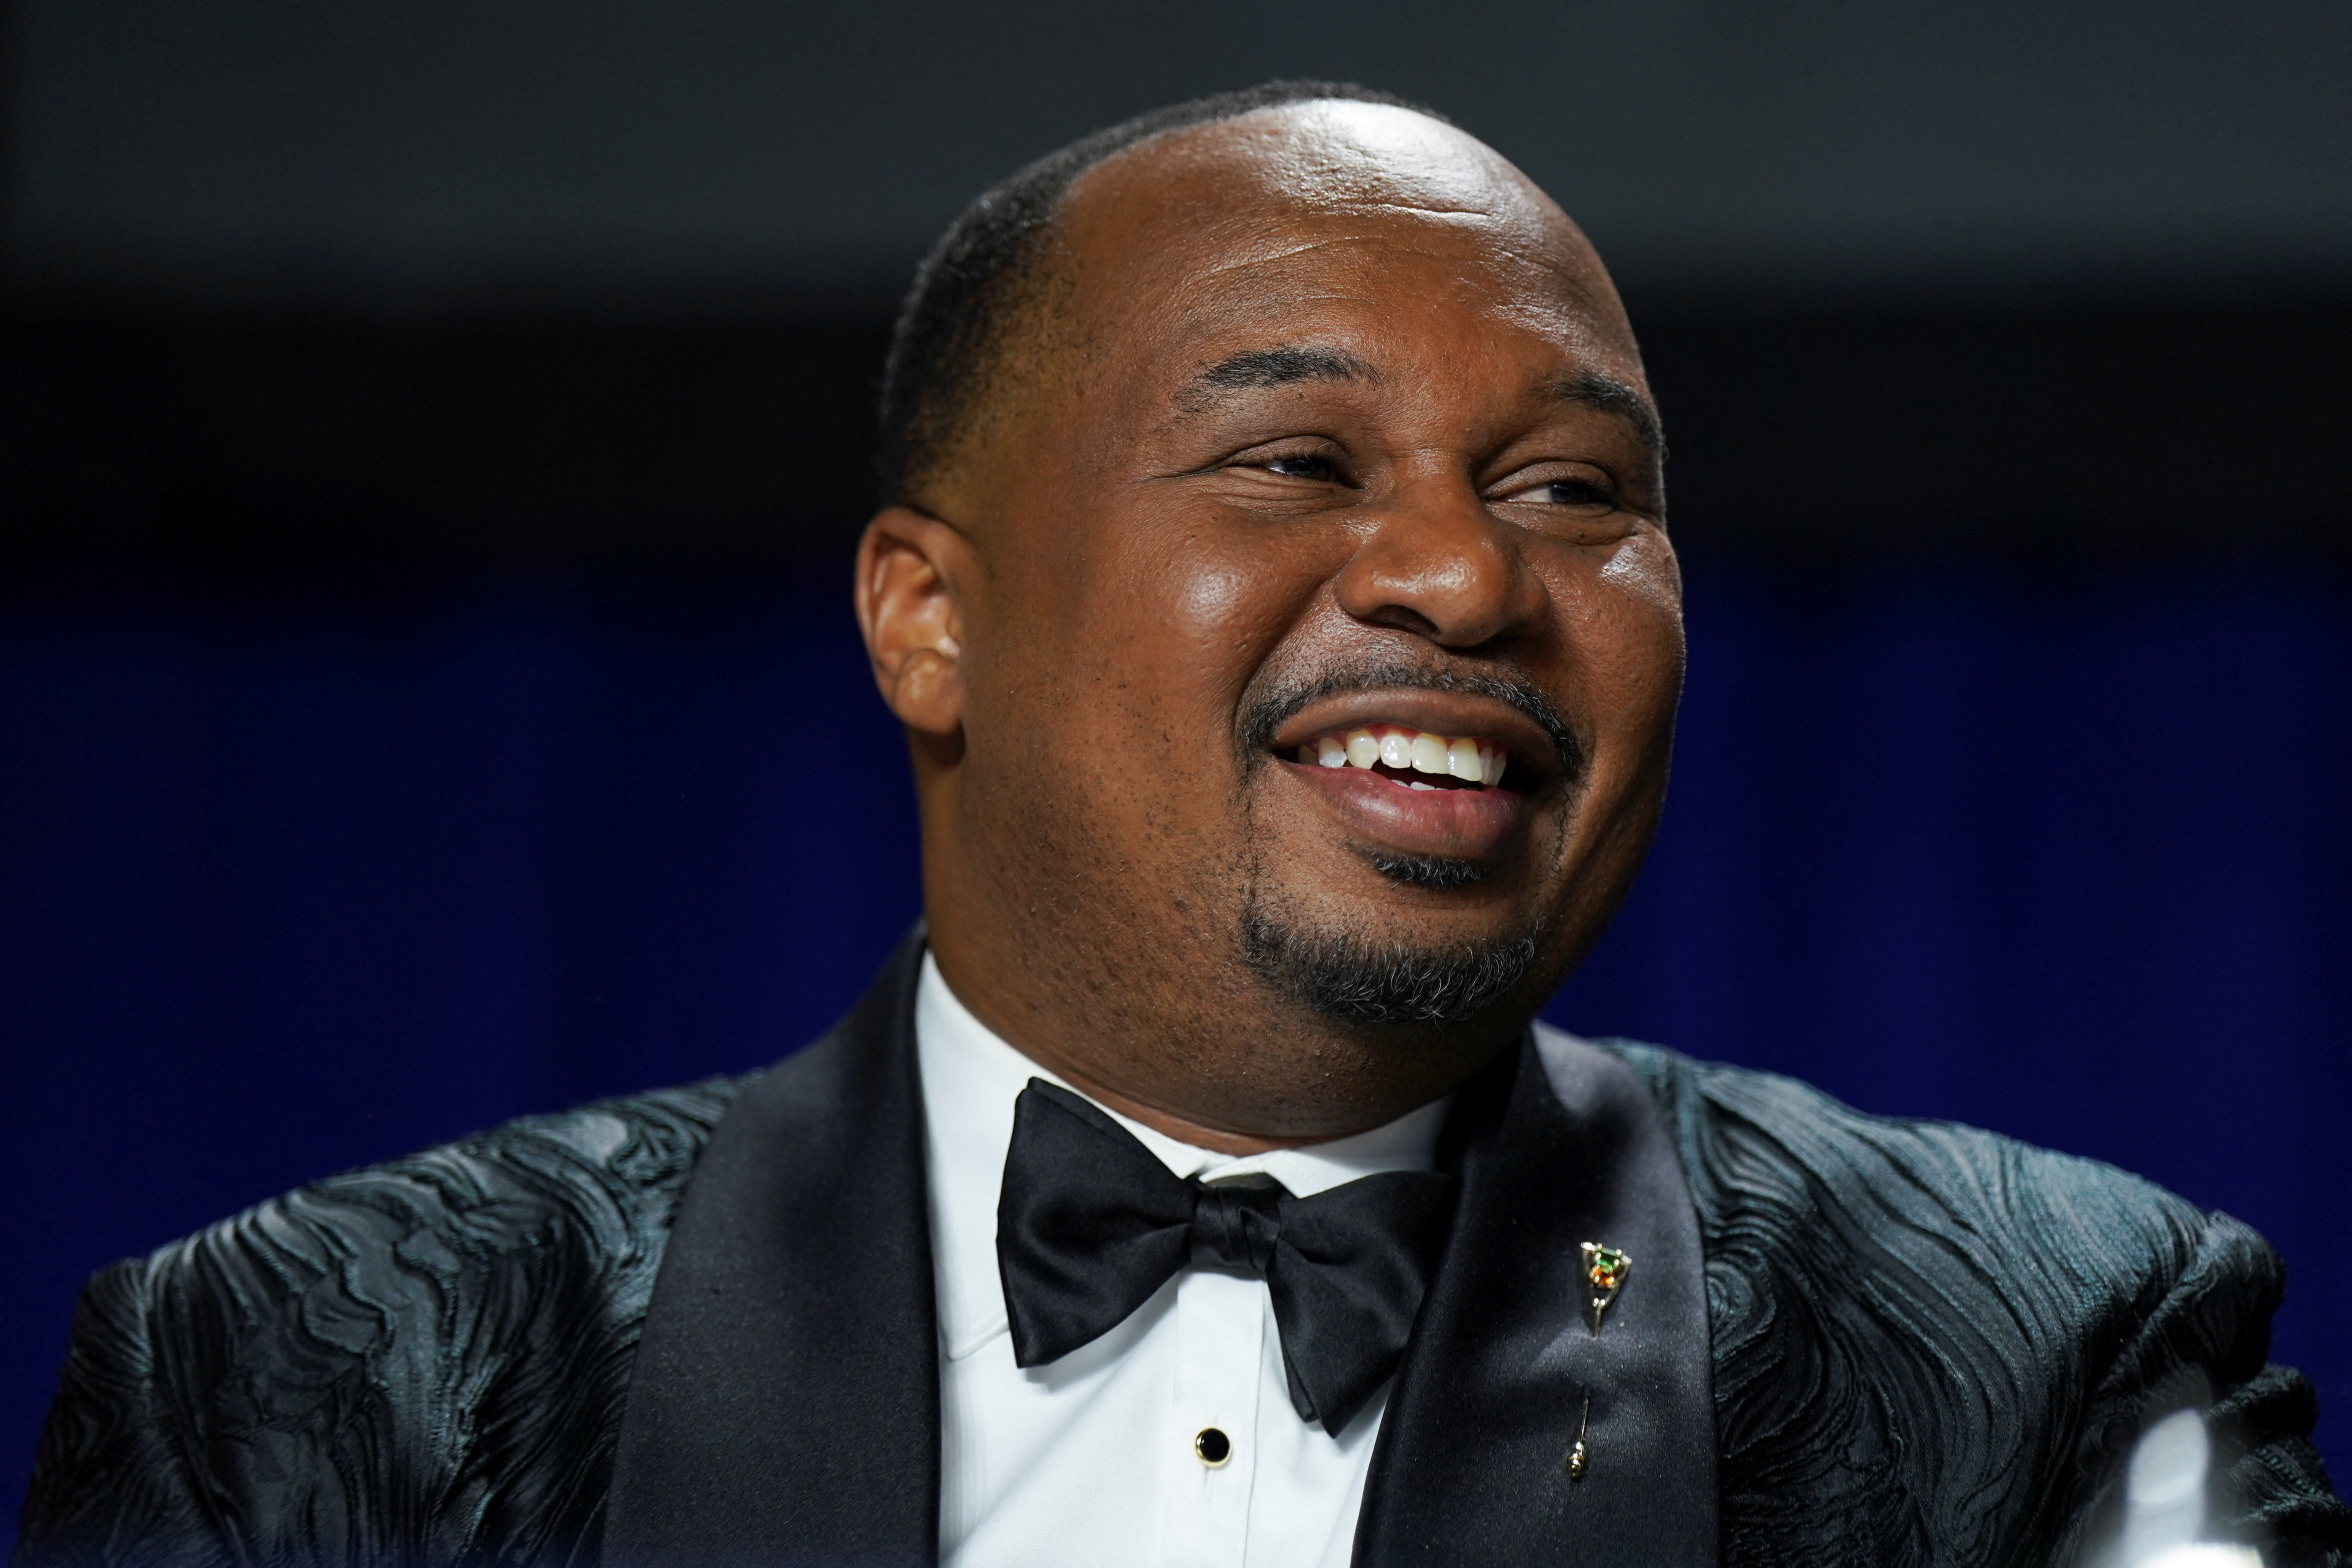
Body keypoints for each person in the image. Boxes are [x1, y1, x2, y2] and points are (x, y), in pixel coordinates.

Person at [15, 81, 2346, 1568]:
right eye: (1296, 460)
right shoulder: (305, 1382)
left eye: (1573, 489)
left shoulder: (2055, 1363)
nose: (1463, 575)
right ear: (928, 620)